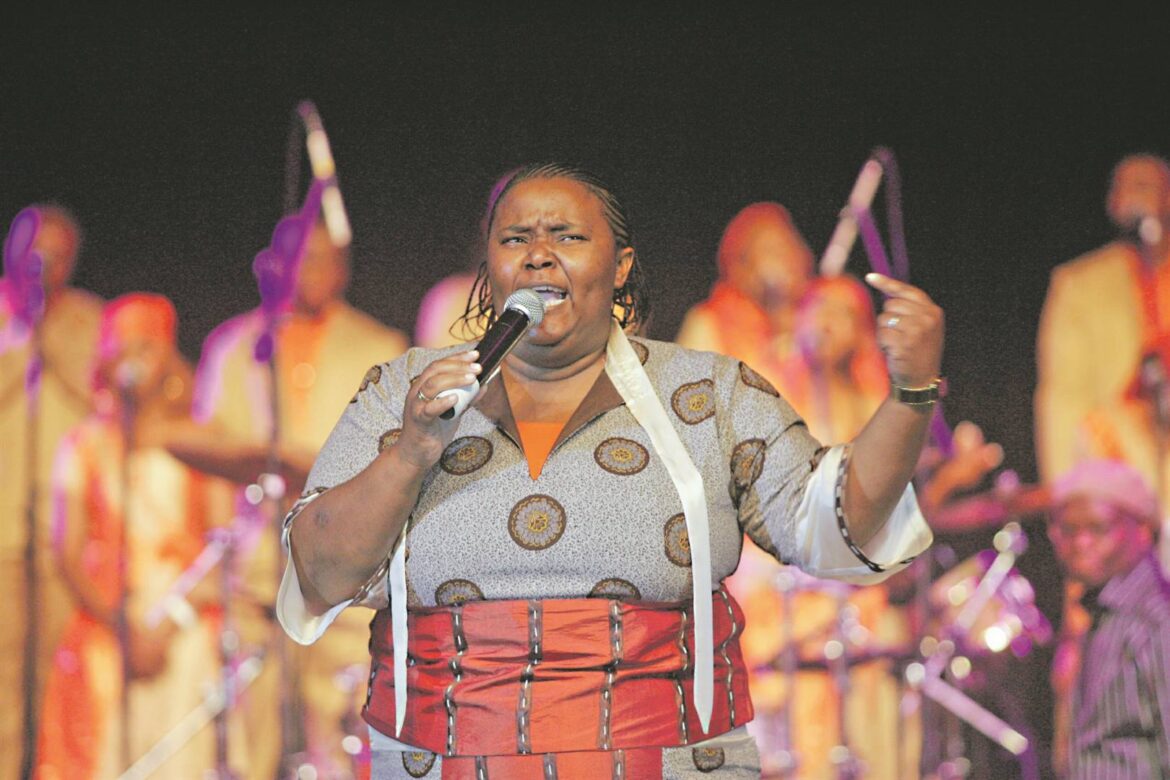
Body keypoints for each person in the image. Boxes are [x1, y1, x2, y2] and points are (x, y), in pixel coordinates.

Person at [274, 162, 942, 777]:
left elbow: (837, 523)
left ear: (620, 265)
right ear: (490, 267)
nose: (539, 253)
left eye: (567, 236)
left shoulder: (709, 394)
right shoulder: (402, 391)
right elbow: (319, 572)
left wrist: (911, 394)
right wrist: (412, 451)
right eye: (515, 239)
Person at [169, 218, 410, 779]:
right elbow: (210, 455)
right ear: (272, 264)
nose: (312, 271)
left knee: (341, 736)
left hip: (346, 575)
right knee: (249, 739)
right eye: (301, 258)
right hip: (256, 571)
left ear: (344, 269)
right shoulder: (234, 346)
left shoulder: (380, 347)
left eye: (325, 259)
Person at [35, 293, 220, 779]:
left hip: (186, 630)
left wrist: (168, 624)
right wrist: (125, 628)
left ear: (168, 355)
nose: (132, 362)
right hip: (109, 629)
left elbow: (224, 543)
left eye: (146, 347)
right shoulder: (84, 445)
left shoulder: (202, 440)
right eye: (120, 349)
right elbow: (67, 552)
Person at [0, 204, 105, 779]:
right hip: (2, 541)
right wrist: (23, 341)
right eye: (35, 255)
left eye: (58, 257)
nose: (45, 269)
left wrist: (56, 348)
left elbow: (109, 402)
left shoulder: (92, 321)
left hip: (67, 542)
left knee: (60, 682)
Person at [1035, 153, 1170, 566]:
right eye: (1125, 187)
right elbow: (1062, 398)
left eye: (1146, 186)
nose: (1135, 197)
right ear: (1112, 202)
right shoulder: (1080, 283)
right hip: (1119, 460)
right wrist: (1067, 496)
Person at [1045, 459, 1170, 778]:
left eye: (1098, 528)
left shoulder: (1156, 621)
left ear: (1143, 530)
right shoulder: (1106, 614)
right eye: (1068, 530)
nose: (1081, 544)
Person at [675, 201, 816, 391]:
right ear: (741, 270)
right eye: (771, 250)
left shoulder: (822, 323)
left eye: (790, 246)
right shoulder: (710, 323)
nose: (787, 258)